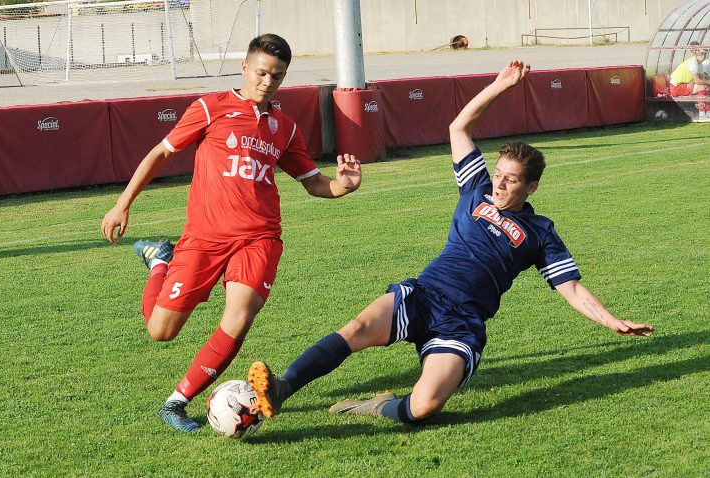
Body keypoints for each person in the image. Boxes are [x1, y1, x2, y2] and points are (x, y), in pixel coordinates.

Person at [247, 60, 654, 424]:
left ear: (531, 187)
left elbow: (572, 287)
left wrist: (611, 320)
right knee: (355, 329)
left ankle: (377, 405)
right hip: (424, 294)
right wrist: (500, 85)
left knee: (423, 407)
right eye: (498, 172)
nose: (499, 182)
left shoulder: (541, 232)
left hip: (462, 324)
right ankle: (283, 389)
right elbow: (459, 127)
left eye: (511, 179)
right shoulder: (475, 187)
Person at [100, 34, 362, 432]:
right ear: (244, 68)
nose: (267, 82)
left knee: (239, 317)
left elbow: (313, 183)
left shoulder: (285, 128)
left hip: (260, 238)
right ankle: (159, 261)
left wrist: (344, 184)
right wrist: (123, 204)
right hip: (204, 238)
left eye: (277, 76)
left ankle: (177, 402)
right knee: (160, 330)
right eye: (261, 73)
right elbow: (161, 153)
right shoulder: (210, 108)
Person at [669, 41, 710, 118]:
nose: (703, 56)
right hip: (676, 87)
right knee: (701, 86)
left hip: (683, 85)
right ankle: (702, 115)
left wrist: (708, 82)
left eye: (705, 54)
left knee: (707, 87)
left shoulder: (700, 64)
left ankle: (707, 112)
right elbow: (698, 81)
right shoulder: (693, 63)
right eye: (702, 53)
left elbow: (703, 78)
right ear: (696, 53)